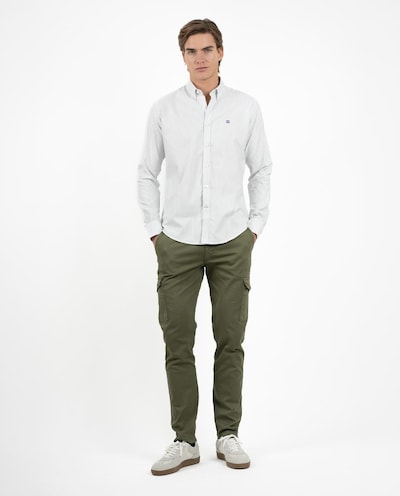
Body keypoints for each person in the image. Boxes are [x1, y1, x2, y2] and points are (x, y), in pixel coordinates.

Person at [137, 18, 272, 476]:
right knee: (177, 341)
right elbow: (146, 172)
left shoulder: (245, 107)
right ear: (183, 57)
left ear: (221, 52)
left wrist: (254, 227)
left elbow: (261, 169)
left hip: (232, 241)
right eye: (191, 51)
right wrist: (154, 232)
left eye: (207, 49)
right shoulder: (164, 110)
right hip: (176, 243)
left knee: (230, 340)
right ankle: (184, 440)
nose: (200, 58)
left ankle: (228, 434)